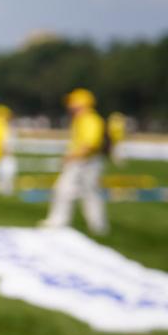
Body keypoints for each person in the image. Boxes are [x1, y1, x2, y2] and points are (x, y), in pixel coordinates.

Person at [39, 88, 108, 235]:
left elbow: (90, 143)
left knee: (72, 191)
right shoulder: (82, 119)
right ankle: (97, 226)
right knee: (77, 191)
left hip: (85, 162)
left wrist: (71, 157)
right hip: (83, 161)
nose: (70, 105)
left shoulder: (89, 119)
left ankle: (64, 222)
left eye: (73, 102)